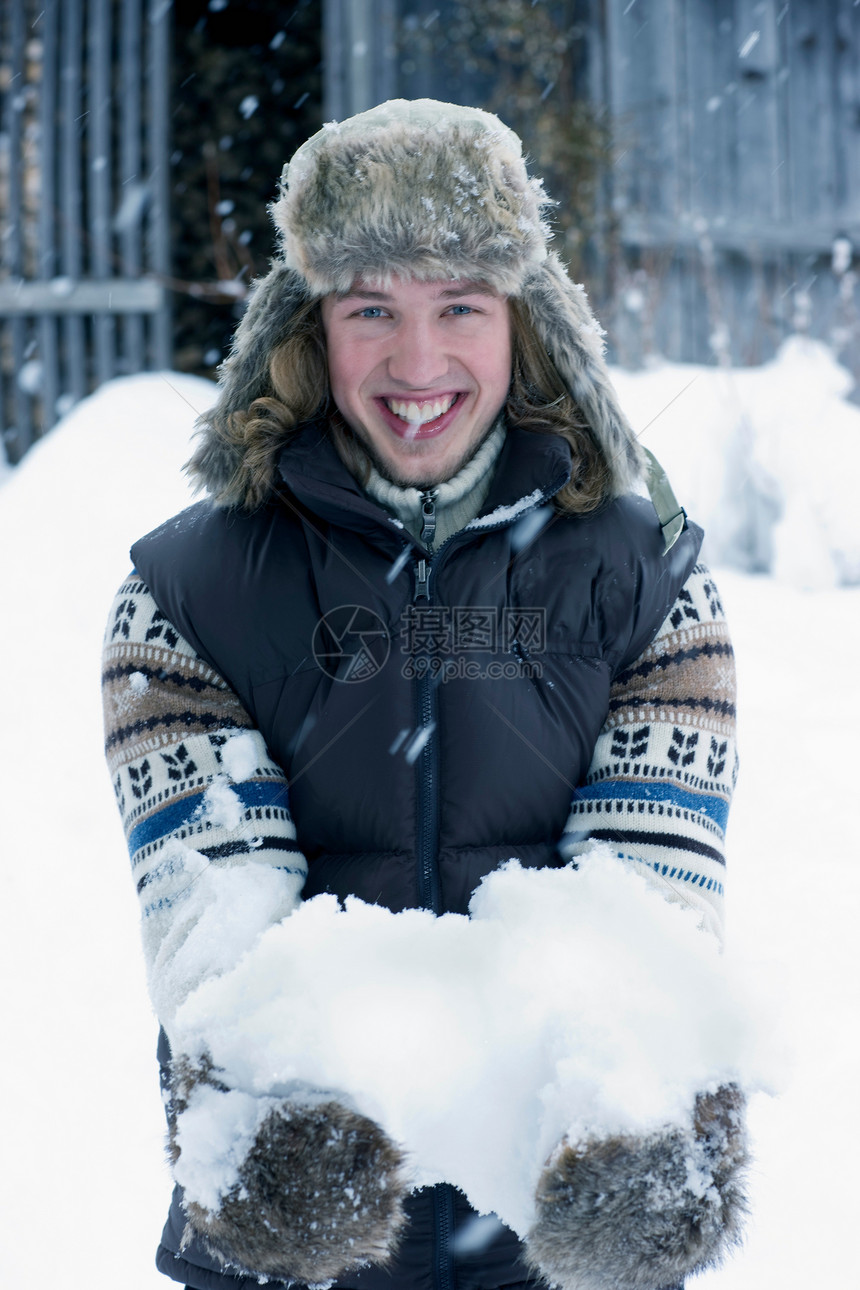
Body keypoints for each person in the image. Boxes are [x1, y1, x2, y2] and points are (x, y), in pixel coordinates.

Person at [102, 100, 747, 1290]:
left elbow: (652, 891)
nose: (415, 364)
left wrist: (619, 1116)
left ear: (524, 321)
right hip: (286, 1246)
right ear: (309, 327)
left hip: (550, 1245)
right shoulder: (184, 595)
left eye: (458, 306)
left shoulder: (645, 577)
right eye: (369, 312)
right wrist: (285, 1125)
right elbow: (212, 910)